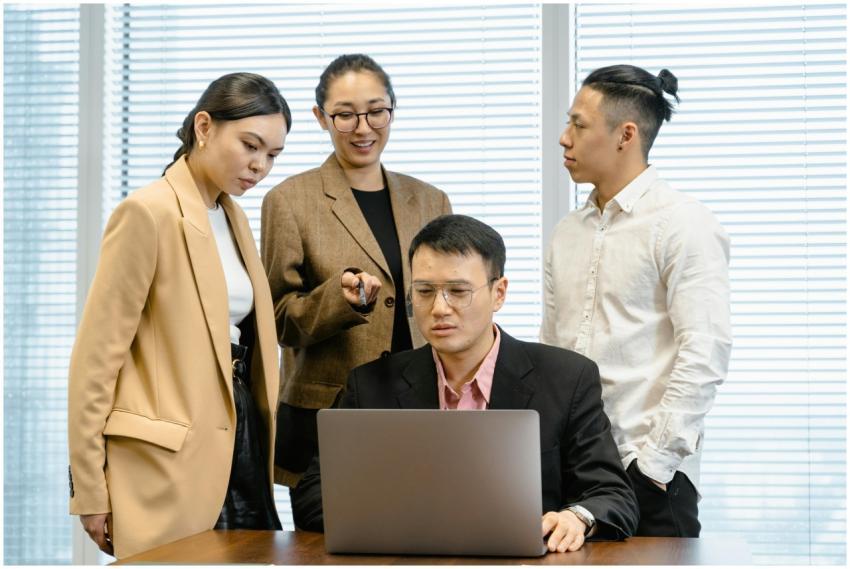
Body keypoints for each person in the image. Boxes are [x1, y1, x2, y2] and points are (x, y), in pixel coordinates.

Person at [291, 214, 639, 553]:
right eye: (425, 291)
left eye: (458, 291)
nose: (440, 308)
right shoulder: (370, 385)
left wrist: (576, 518)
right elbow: (311, 499)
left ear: (499, 293)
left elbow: (613, 495)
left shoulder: (566, 378)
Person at [68, 73, 291, 558]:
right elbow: (95, 361)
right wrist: (88, 487)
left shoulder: (233, 217)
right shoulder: (147, 213)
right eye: (250, 145)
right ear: (204, 126)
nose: (260, 166)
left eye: (272, 155)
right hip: (166, 460)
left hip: (241, 440)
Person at [540, 64, 732, 537]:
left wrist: (654, 467)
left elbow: (704, 353)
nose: (564, 139)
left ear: (626, 134)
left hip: (648, 477)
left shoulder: (683, 223)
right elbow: (550, 355)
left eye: (578, 125)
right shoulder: (566, 233)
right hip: (572, 476)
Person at [261, 54, 452, 488]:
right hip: (329, 412)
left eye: (376, 111)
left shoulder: (431, 200)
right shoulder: (289, 200)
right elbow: (276, 318)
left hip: (421, 405)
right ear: (321, 118)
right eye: (345, 115)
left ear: (391, 110)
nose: (363, 128)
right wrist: (339, 300)